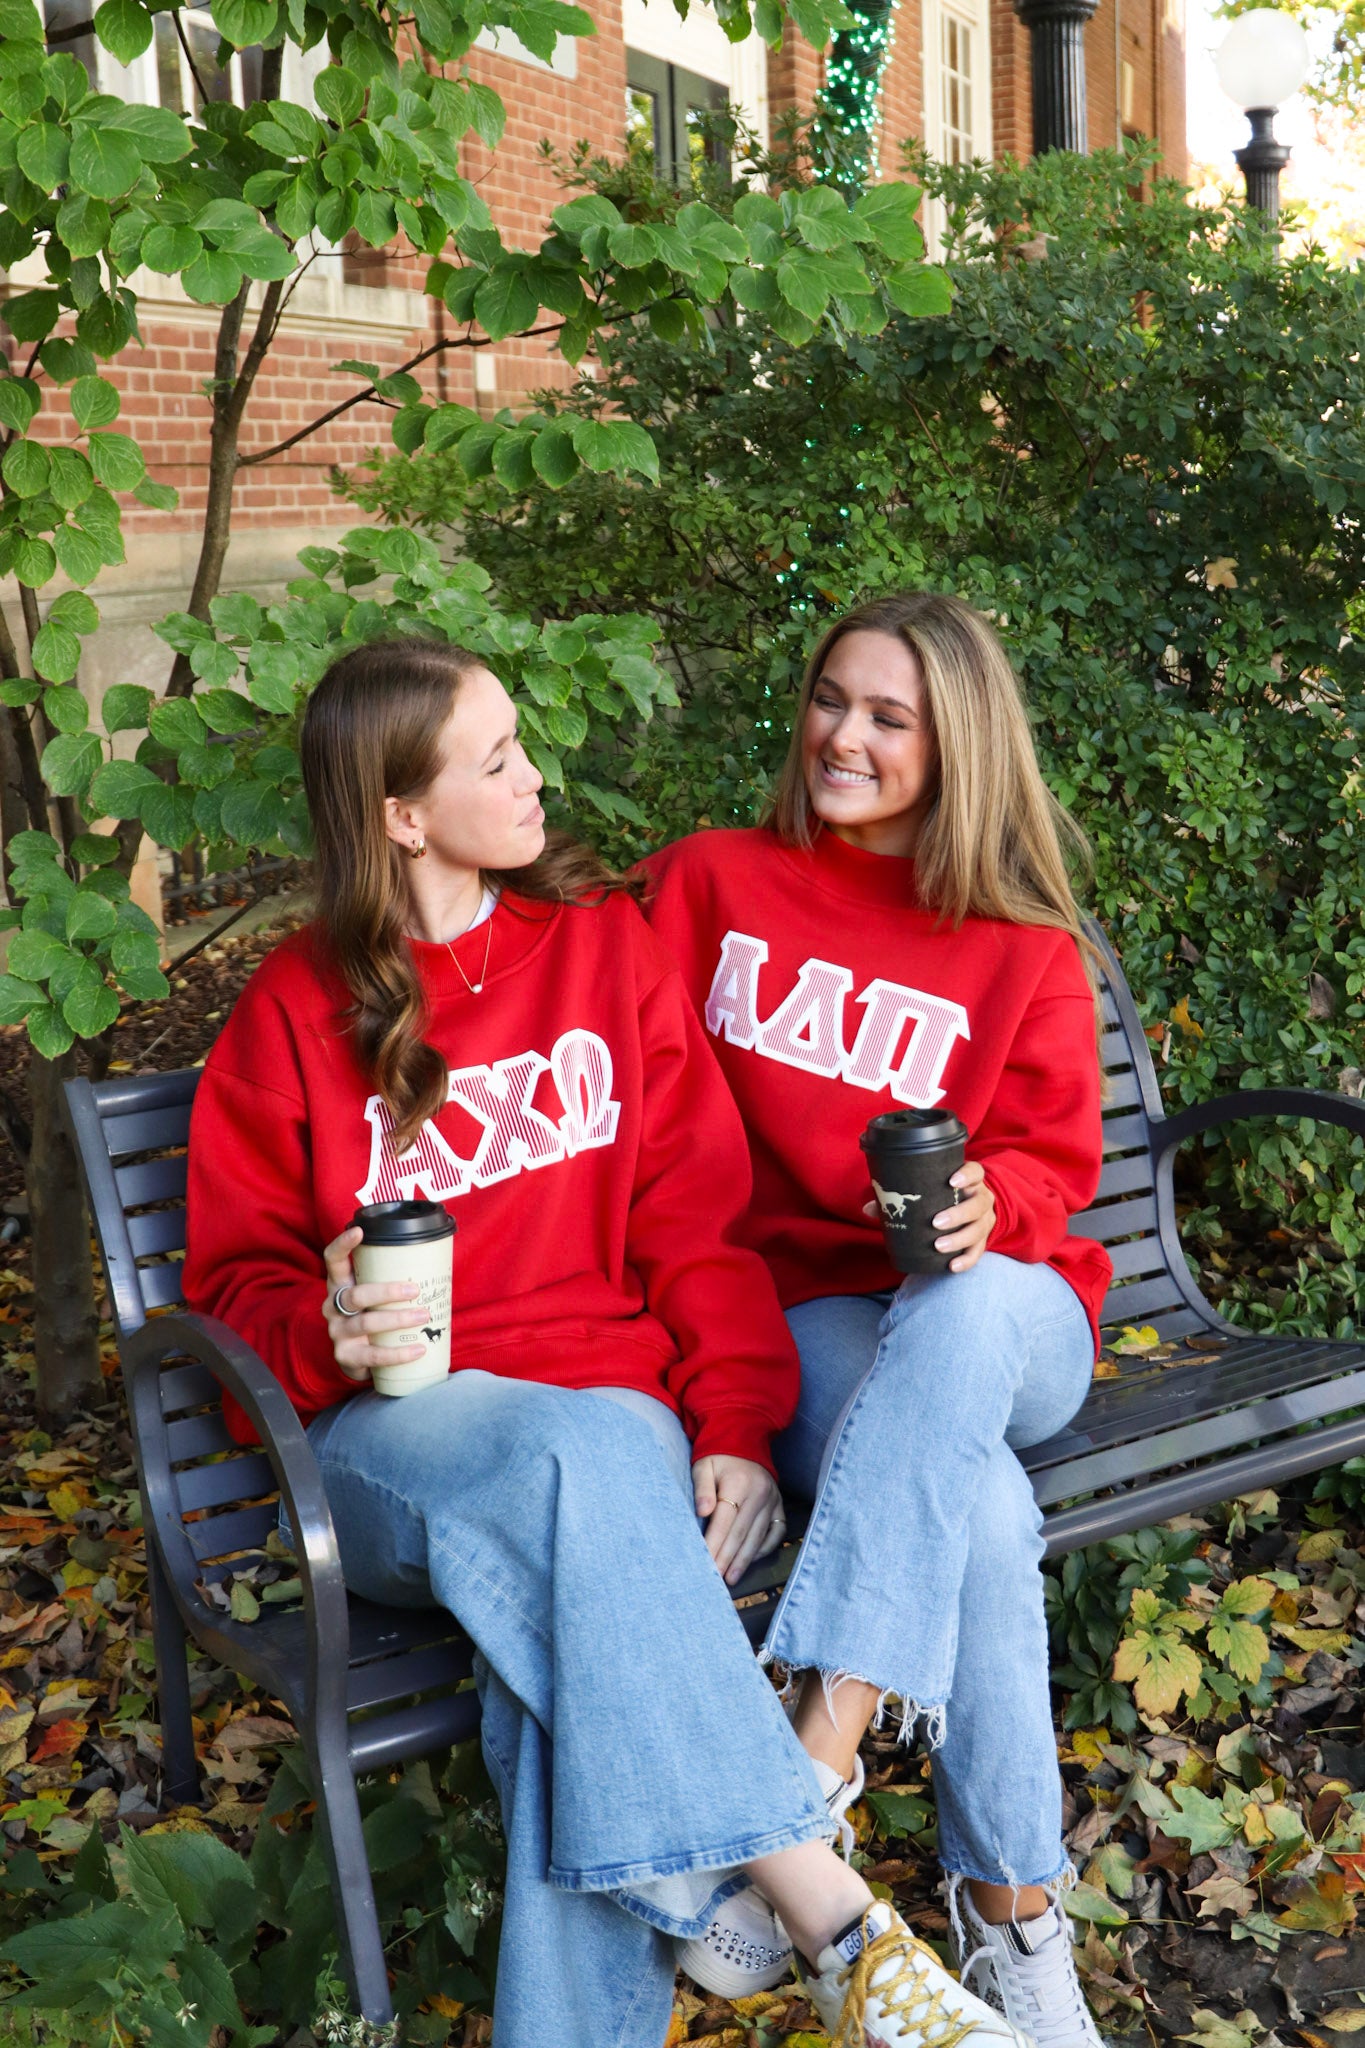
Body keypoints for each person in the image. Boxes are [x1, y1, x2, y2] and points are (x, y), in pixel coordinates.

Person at [182, 635, 1026, 2048]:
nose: (534, 778)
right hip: (397, 1443)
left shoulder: (595, 950)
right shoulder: (291, 1012)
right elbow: (231, 1297)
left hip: (611, 1439)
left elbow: (695, 1223)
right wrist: (327, 1324)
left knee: (559, 1638)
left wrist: (735, 1430)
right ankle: (827, 1915)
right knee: (579, 1459)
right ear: (401, 814)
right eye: (496, 757)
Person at [644, 593, 1113, 2048]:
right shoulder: (712, 884)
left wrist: (994, 1208)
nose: (841, 734)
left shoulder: (1016, 944)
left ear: (953, 741)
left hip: (1003, 1315)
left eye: (887, 716)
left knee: (965, 1324)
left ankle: (801, 1773)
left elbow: (1051, 1159)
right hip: (806, 1319)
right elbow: (608, 1055)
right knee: (970, 1511)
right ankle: (1013, 1918)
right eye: (828, 698)